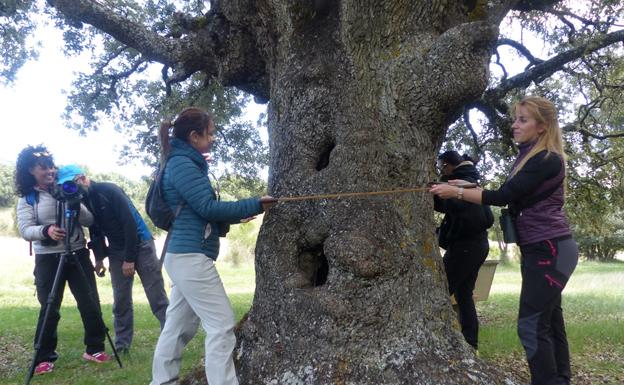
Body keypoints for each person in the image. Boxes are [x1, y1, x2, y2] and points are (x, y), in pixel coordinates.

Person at [430, 96, 578, 385]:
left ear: (542, 126)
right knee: (549, 321)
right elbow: (508, 190)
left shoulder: (546, 159)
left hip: (550, 249)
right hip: (544, 249)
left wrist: (457, 193)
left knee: (531, 326)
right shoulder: (530, 156)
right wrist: (465, 185)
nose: (515, 124)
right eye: (515, 118)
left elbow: (502, 197)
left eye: (523, 119)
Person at [150, 107, 276, 385]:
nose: (214, 138)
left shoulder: (183, 161)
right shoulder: (183, 164)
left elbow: (198, 211)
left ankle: (162, 382)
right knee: (220, 324)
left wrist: (238, 213)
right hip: (190, 257)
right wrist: (255, 203)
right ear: (194, 136)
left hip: (184, 256)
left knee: (178, 326)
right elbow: (206, 207)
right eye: (211, 133)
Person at [15, 145, 111, 376]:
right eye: (43, 168)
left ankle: (95, 348)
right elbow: (25, 229)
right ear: (31, 170)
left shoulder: (66, 189)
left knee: (89, 301)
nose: (49, 171)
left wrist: (75, 201)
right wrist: (46, 231)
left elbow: (89, 220)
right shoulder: (28, 198)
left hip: (77, 252)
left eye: (51, 166)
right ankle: (44, 357)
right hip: (47, 259)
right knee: (50, 307)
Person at [56, 164, 169, 354]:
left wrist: (130, 259)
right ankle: (122, 346)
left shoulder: (109, 190)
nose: (71, 189)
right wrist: (99, 258)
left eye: (72, 183)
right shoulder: (84, 200)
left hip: (140, 244)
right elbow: (95, 229)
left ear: (82, 178)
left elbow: (129, 223)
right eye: (65, 186)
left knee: (156, 296)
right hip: (116, 250)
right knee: (121, 300)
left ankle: (171, 338)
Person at [433, 151, 493, 351]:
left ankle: (438, 337)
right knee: (463, 294)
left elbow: (450, 206)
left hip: (465, 246)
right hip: (479, 244)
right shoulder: (472, 181)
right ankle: (470, 342)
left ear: (449, 165)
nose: (441, 170)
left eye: (442, 166)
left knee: (440, 289)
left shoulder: (459, 183)